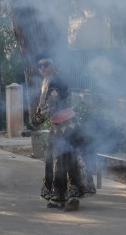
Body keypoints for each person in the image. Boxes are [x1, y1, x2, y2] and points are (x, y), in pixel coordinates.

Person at [31, 55, 94, 211]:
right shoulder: (46, 82)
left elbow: (51, 106)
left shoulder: (57, 81)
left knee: (71, 161)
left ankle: (74, 198)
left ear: (53, 65)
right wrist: (35, 121)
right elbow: (44, 107)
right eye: (40, 66)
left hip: (69, 127)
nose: (43, 68)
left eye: (46, 65)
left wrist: (34, 122)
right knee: (55, 161)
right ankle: (59, 196)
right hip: (56, 126)